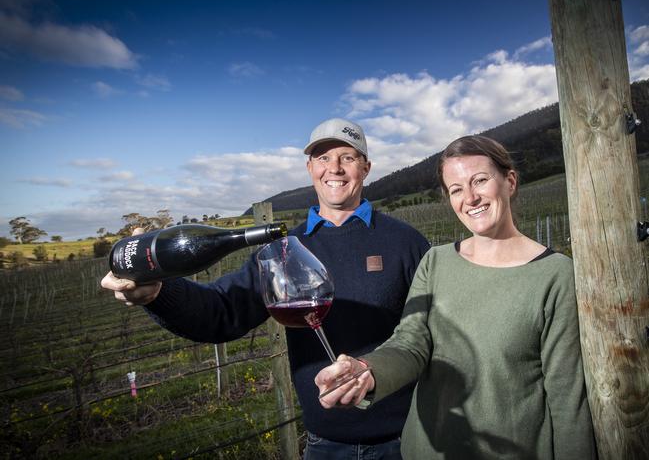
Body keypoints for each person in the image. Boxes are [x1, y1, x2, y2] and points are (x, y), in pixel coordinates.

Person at [101, 117, 430, 459]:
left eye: (347, 157)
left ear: (366, 168)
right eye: (322, 158)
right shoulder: (285, 249)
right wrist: (158, 294)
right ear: (309, 168)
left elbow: (430, 336)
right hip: (324, 446)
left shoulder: (405, 243)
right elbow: (221, 312)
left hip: (408, 440)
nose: (335, 168)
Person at [315, 135, 596, 459]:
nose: (471, 198)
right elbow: (410, 343)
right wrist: (366, 370)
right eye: (457, 189)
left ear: (510, 181)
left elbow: (567, 397)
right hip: (427, 450)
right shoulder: (436, 262)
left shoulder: (554, 275)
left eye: (480, 180)